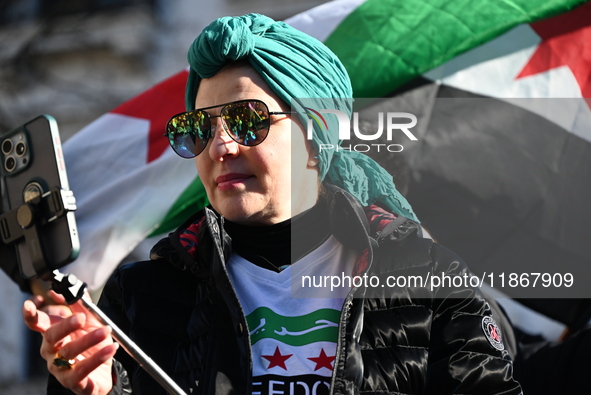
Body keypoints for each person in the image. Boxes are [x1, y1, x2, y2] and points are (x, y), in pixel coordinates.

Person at [22, 13, 522, 395]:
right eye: (199, 128)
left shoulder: (431, 281)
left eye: (246, 121)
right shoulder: (138, 297)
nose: (220, 147)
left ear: (317, 134)